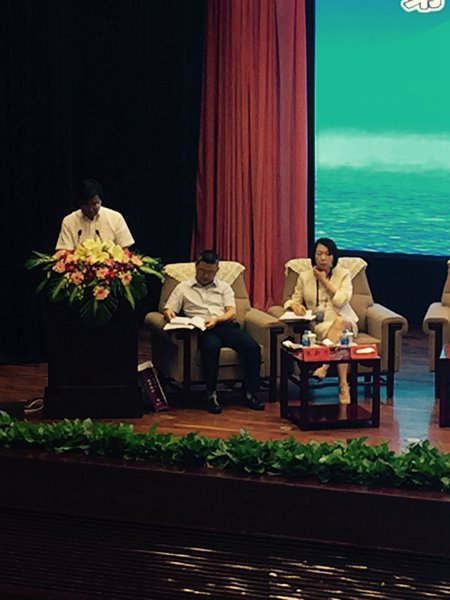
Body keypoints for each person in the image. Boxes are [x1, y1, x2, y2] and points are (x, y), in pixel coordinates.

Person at [163, 249, 264, 414]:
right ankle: (211, 394)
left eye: (210, 272)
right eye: (202, 270)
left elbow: (232, 312)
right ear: (196, 267)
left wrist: (217, 319)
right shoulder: (183, 288)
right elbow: (169, 308)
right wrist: (169, 313)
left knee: (252, 348)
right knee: (211, 348)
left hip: (224, 325)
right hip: (203, 328)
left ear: (217, 270)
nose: (205, 276)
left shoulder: (224, 287)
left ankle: (250, 393)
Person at [283, 238, 358, 404]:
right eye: (319, 254)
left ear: (333, 257)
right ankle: (343, 385)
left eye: (327, 254)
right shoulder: (305, 277)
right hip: (319, 327)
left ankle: (324, 366)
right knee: (342, 341)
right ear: (314, 256)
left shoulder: (344, 274)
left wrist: (324, 281)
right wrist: (295, 306)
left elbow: (341, 301)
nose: (323, 258)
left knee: (341, 323)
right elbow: (293, 299)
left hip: (346, 323)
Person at [55, 178, 135, 250]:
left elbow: (125, 250)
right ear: (79, 203)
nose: (90, 209)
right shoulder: (69, 221)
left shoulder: (116, 218)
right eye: (86, 204)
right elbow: (64, 252)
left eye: (94, 204)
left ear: (101, 201)